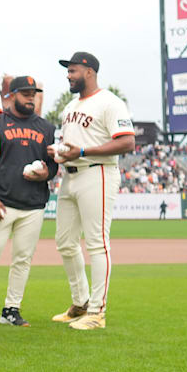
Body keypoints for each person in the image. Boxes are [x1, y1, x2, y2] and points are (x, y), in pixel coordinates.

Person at [50, 52, 135, 331]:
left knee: (97, 242)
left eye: (73, 70)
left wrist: (83, 151)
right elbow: (73, 144)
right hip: (71, 175)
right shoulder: (70, 107)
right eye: (68, 71)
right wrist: (60, 153)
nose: (68, 75)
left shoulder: (110, 102)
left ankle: (97, 312)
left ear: (89, 71)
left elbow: (127, 143)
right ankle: (81, 303)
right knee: (64, 241)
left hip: (97, 172)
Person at [0, 76, 57, 328]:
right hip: (2, 203)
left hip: (33, 205)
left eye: (33, 94)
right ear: (12, 96)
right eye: (25, 94)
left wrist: (48, 173)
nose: (30, 98)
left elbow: (53, 165)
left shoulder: (46, 128)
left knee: (22, 259)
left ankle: (11, 309)